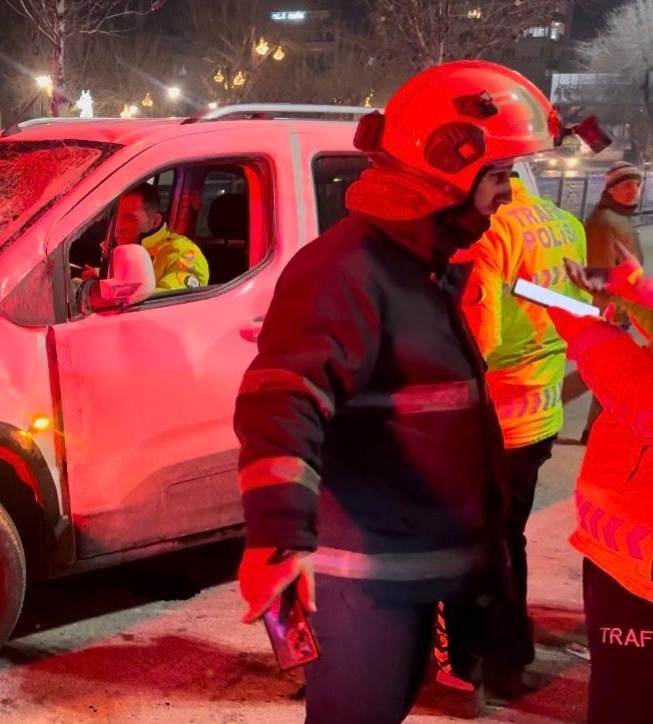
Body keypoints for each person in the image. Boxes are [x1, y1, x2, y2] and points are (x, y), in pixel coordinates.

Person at [233, 61, 563, 724]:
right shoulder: (348, 271)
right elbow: (282, 401)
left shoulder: (420, 266)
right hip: (364, 586)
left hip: (414, 574)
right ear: (446, 166)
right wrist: (276, 536)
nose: (507, 195)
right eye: (499, 176)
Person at [440, 174, 589, 695]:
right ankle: (508, 653)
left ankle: (489, 659)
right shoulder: (564, 222)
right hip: (544, 408)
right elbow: (574, 310)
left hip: (500, 412)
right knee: (510, 536)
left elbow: (483, 339)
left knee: (483, 543)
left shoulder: (495, 231)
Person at [548, 247, 653, 724]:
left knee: (627, 700)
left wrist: (584, 330)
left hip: (639, 563)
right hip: (627, 548)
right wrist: (636, 290)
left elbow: (642, 402)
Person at [582, 161, 646, 442]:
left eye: (637, 184)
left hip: (622, 307)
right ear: (611, 189)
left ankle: (596, 428)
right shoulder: (604, 221)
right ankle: (595, 430)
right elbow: (600, 274)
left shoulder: (617, 216)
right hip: (609, 310)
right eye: (626, 185)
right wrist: (612, 314)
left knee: (611, 373)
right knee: (611, 373)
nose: (633, 190)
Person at [89, 184, 207, 291]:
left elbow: (169, 303)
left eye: (129, 218)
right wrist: (98, 278)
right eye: (116, 217)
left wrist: (114, 293)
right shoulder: (119, 247)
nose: (118, 227)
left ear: (155, 221)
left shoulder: (185, 253)